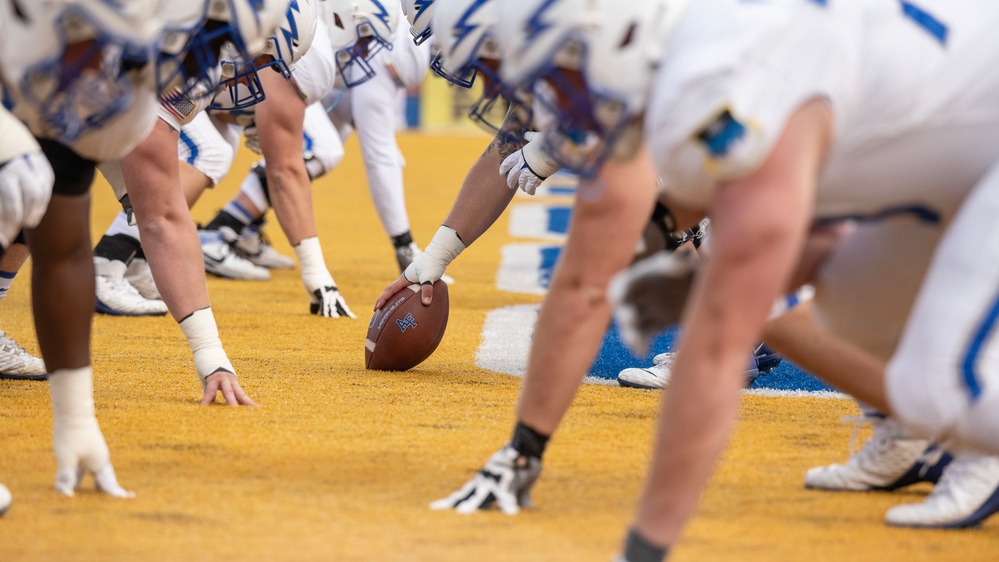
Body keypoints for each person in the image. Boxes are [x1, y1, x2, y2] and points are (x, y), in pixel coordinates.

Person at [435, 1, 999, 559]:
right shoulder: (689, 64)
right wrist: (524, 452)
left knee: (938, 385)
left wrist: (643, 549)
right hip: (945, 154)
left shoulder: (725, 87)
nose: (545, 105)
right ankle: (913, 439)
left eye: (555, 80)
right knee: (844, 305)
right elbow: (594, 271)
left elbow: (715, 347)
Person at [1, 0, 167, 498]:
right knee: (16, 172)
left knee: (32, 182)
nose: (103, 69)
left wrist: (75, 419)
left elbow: (65, 250)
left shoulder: (99, 92)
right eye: (96, 42)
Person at [202, 0, 436, 277]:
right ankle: (213, 233)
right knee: (318, 149)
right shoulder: (339, 59)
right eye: (366, 40)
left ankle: (233, 224)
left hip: (270, 68)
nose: (364, 50)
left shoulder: (351, 43)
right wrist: (404, 243)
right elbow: (380, 156)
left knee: (318, 144)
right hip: (252, 72)